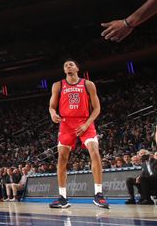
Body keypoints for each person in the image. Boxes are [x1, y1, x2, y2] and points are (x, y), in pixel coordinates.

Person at [47, 59, 108, 209]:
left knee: (94, 151)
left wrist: (87, 124)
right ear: (64, 70)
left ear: (77, 68)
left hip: (84, 122)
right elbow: (51, 106)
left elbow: (97, 108)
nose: (68, 66)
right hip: (66, 123)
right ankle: (62, 197)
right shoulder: (58, 85)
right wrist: (52, 113)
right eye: (65, 65)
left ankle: (98, 194)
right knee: (62, 157)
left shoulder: (88, 84)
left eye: (71, 64)